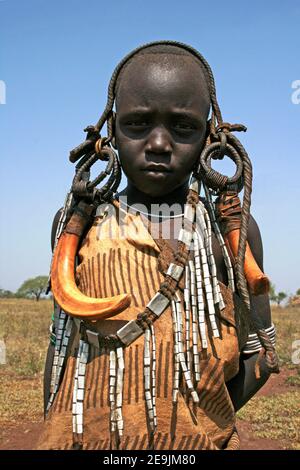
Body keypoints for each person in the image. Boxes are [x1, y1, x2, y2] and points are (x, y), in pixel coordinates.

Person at [37, 41, 278, 450]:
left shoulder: (230, 232)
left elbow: (261, 355)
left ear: (210, 137)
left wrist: (198, 428)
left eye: (183, 127)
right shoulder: (76, 226)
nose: (159, 144)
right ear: (109, 131)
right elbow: (61, 351)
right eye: (137, 124)